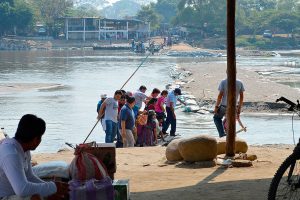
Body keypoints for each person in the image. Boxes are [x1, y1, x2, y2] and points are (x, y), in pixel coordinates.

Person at [0, 114, 69, 200]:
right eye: (40, 137)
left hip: (13, 193)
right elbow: (22, 189)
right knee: (35, 198)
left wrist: (51, 190)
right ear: (35, 139)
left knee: (49, 195)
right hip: (3, 196)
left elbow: (30, 177)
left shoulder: (24, 149)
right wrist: (53, 187)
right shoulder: (11, 153)